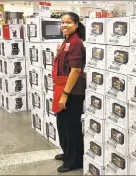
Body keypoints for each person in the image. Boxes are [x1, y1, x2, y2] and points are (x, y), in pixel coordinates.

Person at [51, 12, 86, 173]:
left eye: (69, 22)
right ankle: (67, 153)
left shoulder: (76, 43)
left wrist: (65, 95)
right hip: (63, 88)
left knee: (72, 127)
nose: (64, 25)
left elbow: (76, 70)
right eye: (62, 22)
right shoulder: (67, 41)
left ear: (76, 25)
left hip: (72, 92)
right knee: (63, 124)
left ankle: (75, 160)